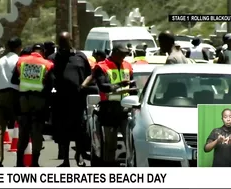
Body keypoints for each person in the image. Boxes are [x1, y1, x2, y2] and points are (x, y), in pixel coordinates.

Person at [49, 31, 92, 167]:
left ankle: (79, 155)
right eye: (60, 42)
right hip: (60, 100)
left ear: (71, 41)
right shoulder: (52, 58)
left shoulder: (80, 56)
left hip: (77, 100)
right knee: (63, 131)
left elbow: (89, 75)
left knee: (79, 129)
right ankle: (65, 160)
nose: (63, 45)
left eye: (65, 42)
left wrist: (83, 85)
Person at [93, 44, 138, 167]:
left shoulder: (127, 66)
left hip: (125, 109)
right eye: (122, 54)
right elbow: (102, 86)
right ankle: (109, 168)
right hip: (109, 110)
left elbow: (133, 87)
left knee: (130, 143)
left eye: (125, 55)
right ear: (115, 53)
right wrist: (119, 84)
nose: (124, 57)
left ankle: (130, 166)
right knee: (110, 144)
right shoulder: (101, 67)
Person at [11, 43, 54, 167]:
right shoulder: (47, 64)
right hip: (39, 100)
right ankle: (34, 162)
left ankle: (19, 162)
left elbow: (13, 80)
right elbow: (51, 84)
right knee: (37, 132)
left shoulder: (21, 61)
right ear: (43, 52)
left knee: (23, 131)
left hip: (24, 100)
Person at [0, 37, 22, 167]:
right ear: (18, 47)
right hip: (16, 95)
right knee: (21, 127)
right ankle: (20, 159)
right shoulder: (20, 61)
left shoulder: (0, 61)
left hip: (2, 95)